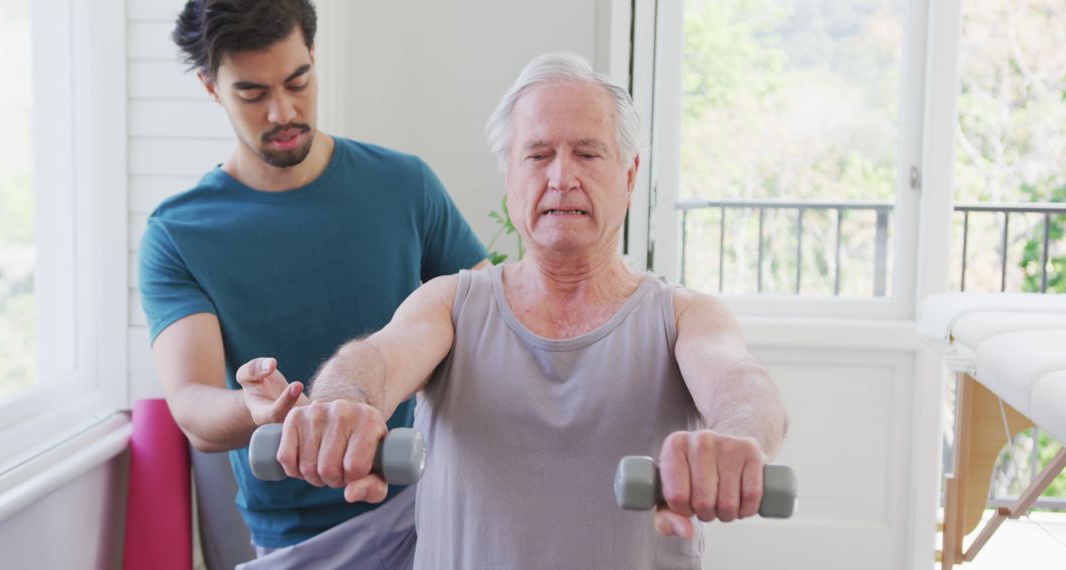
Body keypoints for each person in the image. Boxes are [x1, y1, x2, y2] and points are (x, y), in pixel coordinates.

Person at [252, 52, 788, 569]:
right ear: (509, 177)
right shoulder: (451, 304)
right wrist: (342, 400)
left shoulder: (686, 317)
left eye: (587, 152)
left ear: (629, 176)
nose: (561, 178)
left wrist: (739, 438)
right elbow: (379, 358)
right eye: (537, 155)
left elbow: (739, 380)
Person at [137, 0, 488, 560]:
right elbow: (194, 408)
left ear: (314, 55)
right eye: (252, 94)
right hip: (300, 542)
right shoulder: (178, 233)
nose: (282, 111)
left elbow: (491, 330)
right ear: (211, 87)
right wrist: (258, 412)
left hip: (433, 507)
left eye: (298, 80)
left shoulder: (405, 186)